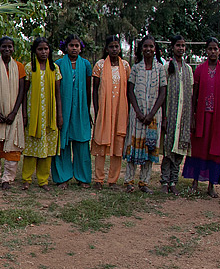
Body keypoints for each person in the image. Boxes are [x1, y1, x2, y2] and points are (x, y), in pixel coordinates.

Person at [183, 38, 220, 197]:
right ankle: (195, 181)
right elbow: (194, 96)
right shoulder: (199, 70)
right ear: (206, 51)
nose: (212, 52)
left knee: (215, 150)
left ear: (219, 51)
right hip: (201, 117)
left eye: (215, 49)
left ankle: (211, 185)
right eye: (210, 49)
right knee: (199, 148)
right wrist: (192, 118)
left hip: (217, 119)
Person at [123, 37, 166, 193]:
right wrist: (139, 112)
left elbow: (163, 92)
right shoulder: (136, 68)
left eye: (151, 46)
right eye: (145, 46)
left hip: (154, 116)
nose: (148, 49)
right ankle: (129, 181)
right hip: (137, 115)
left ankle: (144, 182)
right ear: (141, 49)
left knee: (150, 147)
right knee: (133, 146)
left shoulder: (160, 69)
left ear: (155, 49)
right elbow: (130, 91)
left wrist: (151, 113)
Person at [0, 36, 27, 189]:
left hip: (14, 113)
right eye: (4, 46)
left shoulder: (19, 67)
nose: (7, 49)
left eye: (10, 46)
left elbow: (22, 91)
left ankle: (7, 178)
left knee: (12, 145)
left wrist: (14, 113)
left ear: (13, 49)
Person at [22, 37, 62, 190]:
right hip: (33, 114)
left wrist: (59, 115)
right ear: (35, 51)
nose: (43, 52)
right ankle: (26, 179)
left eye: (46, 49)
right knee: (31, 148)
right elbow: (24, 93)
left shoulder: (54, 68)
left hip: (50, 115)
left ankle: (43, 180)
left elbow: (58, 93)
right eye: (40, 49)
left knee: (48, 148)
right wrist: (24, 114)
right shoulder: (29, 68)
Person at [52, 36, 93, 187]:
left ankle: (83, 178)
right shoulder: (58, 64)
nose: (74, 48)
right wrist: (58, 113)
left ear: (81, 48)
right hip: (63, 108)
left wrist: (87, 110)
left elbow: (88, 89)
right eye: (71, 45)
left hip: (80, 109)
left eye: (77, 46)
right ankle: (63, 177)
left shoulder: (86, 64)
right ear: (66, 47)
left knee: (82, 142)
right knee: (62, 143)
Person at [91, 37, 130, 189]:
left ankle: (113, 180)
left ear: (120, 49)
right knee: (101, 143)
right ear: (106, 49)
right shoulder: (100, 65)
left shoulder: (125, 66)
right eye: (111, 47)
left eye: (117, 47)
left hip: (120, 111)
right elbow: (95, 90)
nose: (114, 49)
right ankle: (99, 179)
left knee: (118, 144)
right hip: (104, 110)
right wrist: (97, 111)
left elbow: (127, 90)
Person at [159, 36, 193, 194]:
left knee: (179, 149)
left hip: (183, 116)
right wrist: (164, 117)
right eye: (178, 45)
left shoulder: (188, 69)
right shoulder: (167, 67)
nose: (181, 48)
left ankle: (173, 181)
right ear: (172, 48)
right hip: (170, 115)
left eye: (183, 46)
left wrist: (190, 117)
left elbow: (191, 94)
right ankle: (164, 181)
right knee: (168, 149)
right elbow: (163, 93)